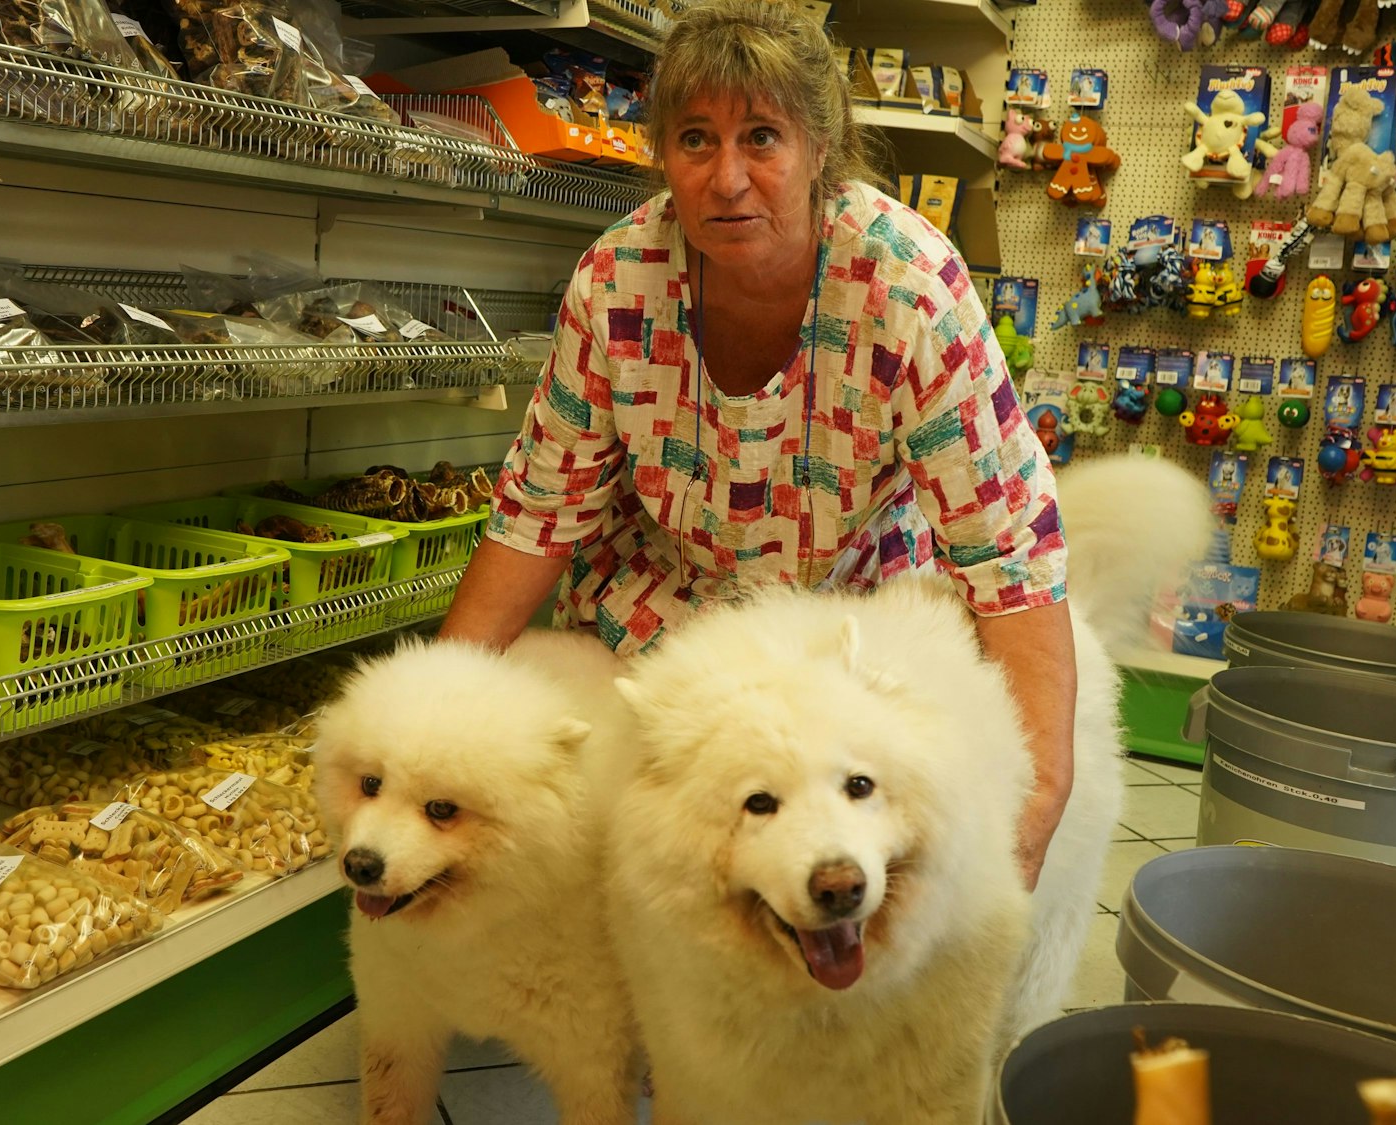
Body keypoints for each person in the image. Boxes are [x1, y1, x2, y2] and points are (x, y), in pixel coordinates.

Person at [438, 0, 1075, 888]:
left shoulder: (908, 288)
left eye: (763, 138)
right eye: (695, 139)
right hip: (656, 633)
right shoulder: (618, 280)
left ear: (821, 150)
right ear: (662, 153)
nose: (727, 178)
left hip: (848, 631)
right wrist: (434, 727)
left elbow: (1008, 549)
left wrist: (1038, 794)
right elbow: (536, 514)